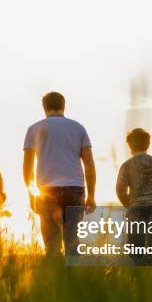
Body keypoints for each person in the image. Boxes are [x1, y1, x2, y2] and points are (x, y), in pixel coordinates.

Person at [23, 92, 96, 256]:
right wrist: (91, 195)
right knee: (72, 242)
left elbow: (27, 168)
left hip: (46, 191)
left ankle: (54, 279)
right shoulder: (78, 128)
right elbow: (89, 164)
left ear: (44, 108)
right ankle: (74, 280)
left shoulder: (34, 129)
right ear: (64, 106)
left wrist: (31, 195)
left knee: (52, 246)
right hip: (74, 189)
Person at [116, 128, 152, 265]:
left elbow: (120, 190)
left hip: (136, 208)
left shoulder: (126, 166)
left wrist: (130, 205)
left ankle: (141, 280)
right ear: (148, 145)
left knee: (136, 252)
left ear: (130, 147)